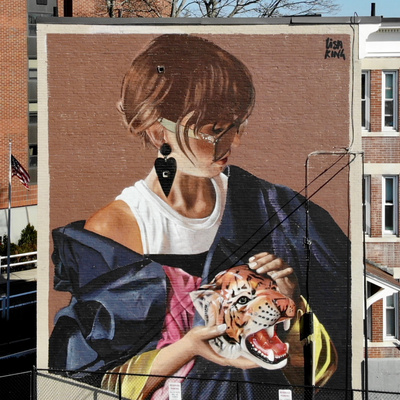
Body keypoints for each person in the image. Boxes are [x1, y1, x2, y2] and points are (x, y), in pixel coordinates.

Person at [49, 34, 350, 399]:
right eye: (215, 130)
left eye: (237, 125)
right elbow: (92, 385)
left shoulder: (278, 210)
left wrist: (291, 307)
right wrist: (189, 346)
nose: (234, 141)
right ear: (158, 130)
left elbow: (326, 371)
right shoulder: (114, 231)